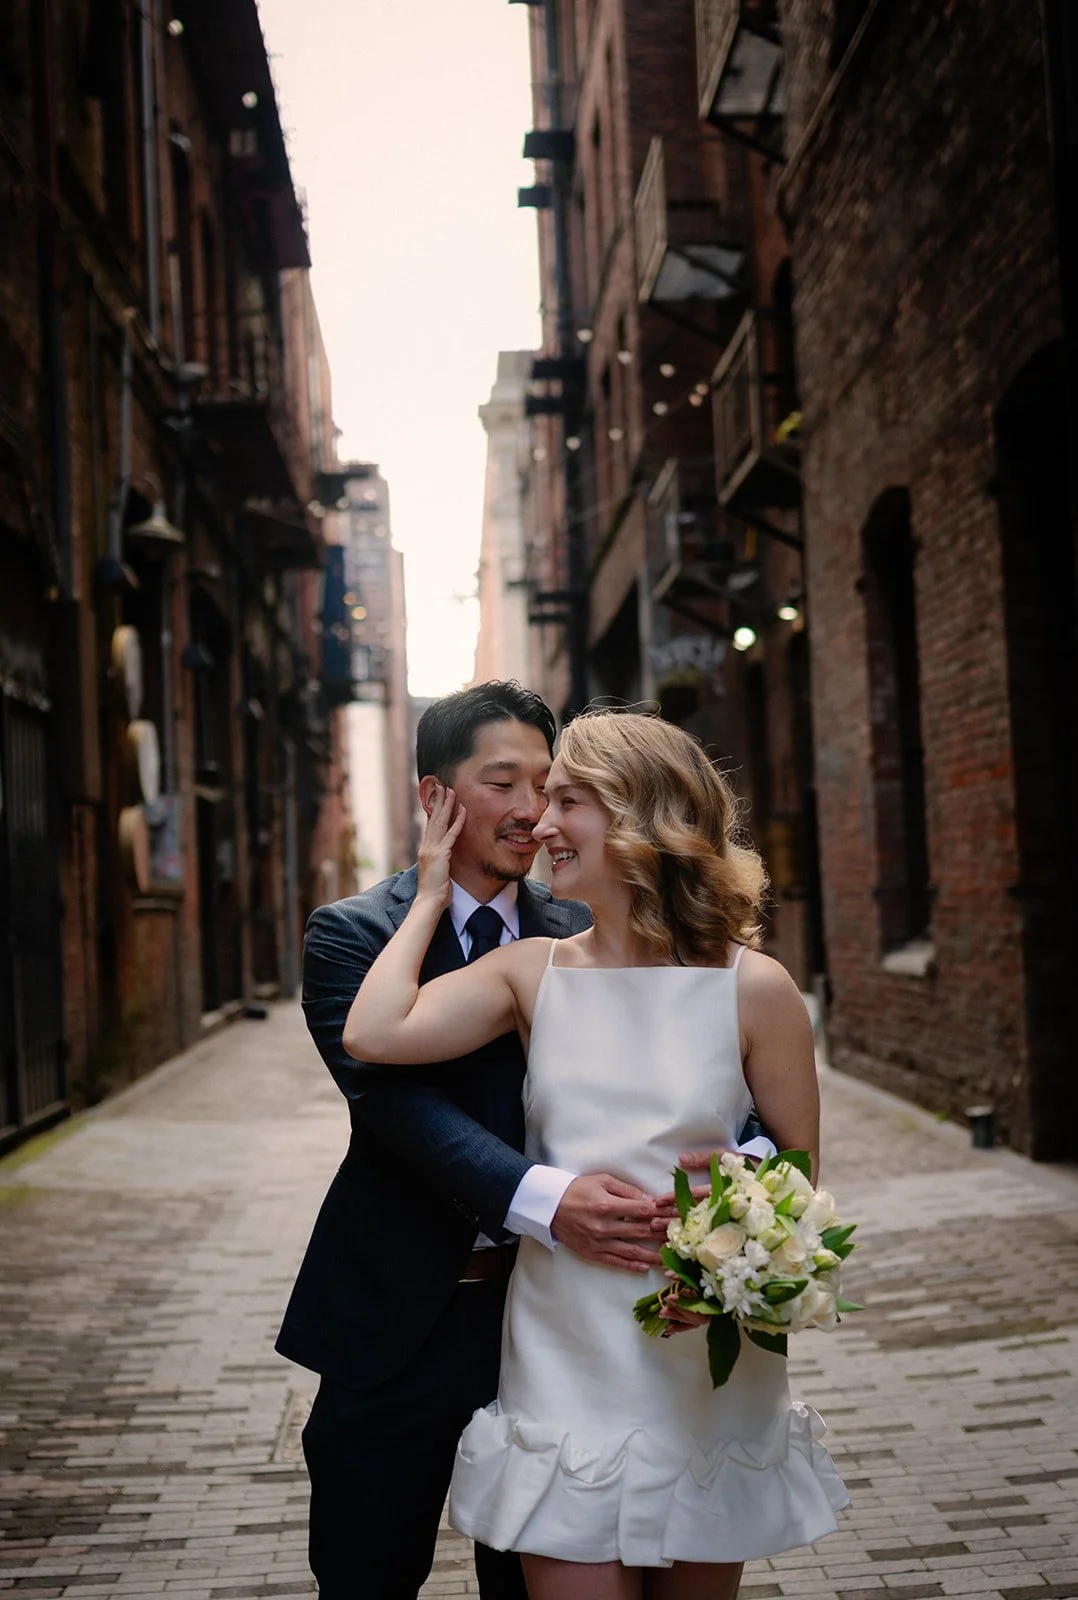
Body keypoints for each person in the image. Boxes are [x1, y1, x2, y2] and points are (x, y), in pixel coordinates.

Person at [345, 709, 849, 1600]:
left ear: (639, 817)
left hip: (698, 1351)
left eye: (567, 801)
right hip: (564, 1345)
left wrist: (728, 1275)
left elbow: (798, 1179)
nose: (540, 824)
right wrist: (428, 892)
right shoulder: (531, 974)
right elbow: (374, 1033)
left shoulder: (757, 988)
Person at [277, 683, 676, 1600]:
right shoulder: (351, 936)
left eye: (551, 784)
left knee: (537, 1581)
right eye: (505, 782)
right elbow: (397, 1103)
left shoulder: (581, 928)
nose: (534, 811)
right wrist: (550, 1200)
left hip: (551, 1322)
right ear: (435, 798)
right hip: (397, 1323)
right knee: (366, 1573)